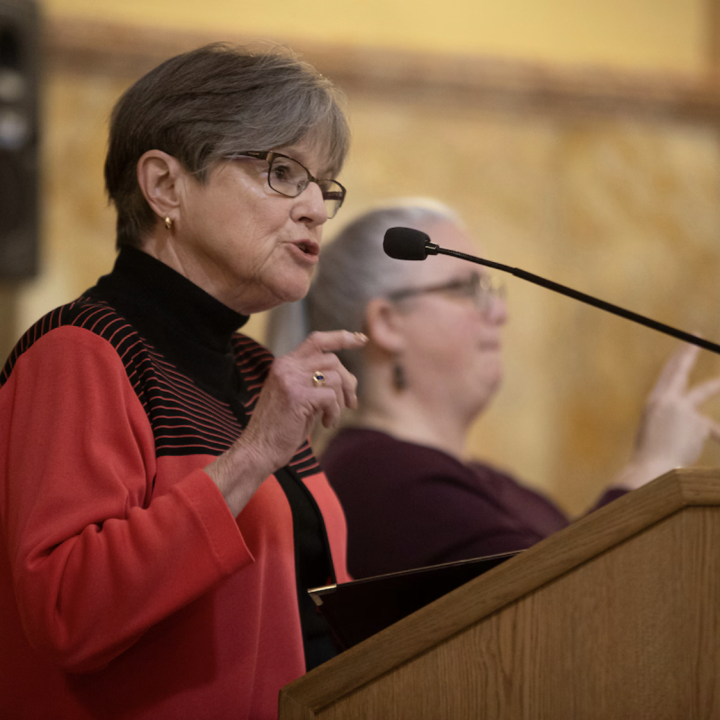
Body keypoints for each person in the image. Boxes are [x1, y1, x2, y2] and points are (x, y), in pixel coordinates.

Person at [0, 44, 367, 720]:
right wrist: (253, 455)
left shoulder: (258, 375)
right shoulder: (80, 353)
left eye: (326, 184)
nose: (316, 206)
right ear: (165, 186)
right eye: (283, 171)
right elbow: (66, 613)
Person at [267, 200, 720, 579]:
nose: (499, 312)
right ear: (387, 323)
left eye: (491, 289)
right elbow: (549, 609)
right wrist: (654, 465)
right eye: (467, 289)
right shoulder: (378, 475)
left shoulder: (488, 482)